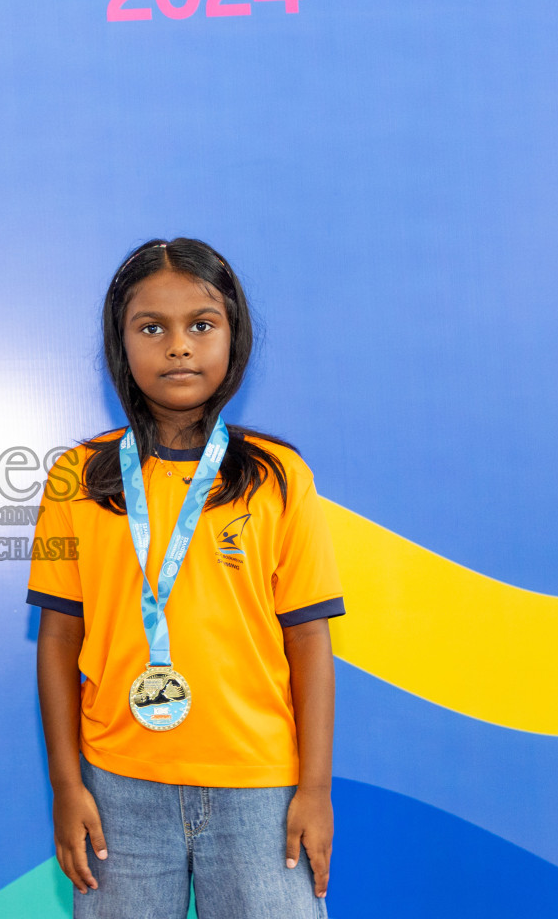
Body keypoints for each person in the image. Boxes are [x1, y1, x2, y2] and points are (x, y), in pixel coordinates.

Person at [28, 238, 343, 917]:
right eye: (152, 328)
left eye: (201, 325)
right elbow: (57, 640)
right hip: (118, 790)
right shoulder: (78, 478)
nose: (179, 347)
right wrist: (66, 784)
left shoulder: (278, 477)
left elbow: (309, 642)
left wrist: (314, 788)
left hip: (261, 788)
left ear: (234, 337)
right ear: (121, 344)